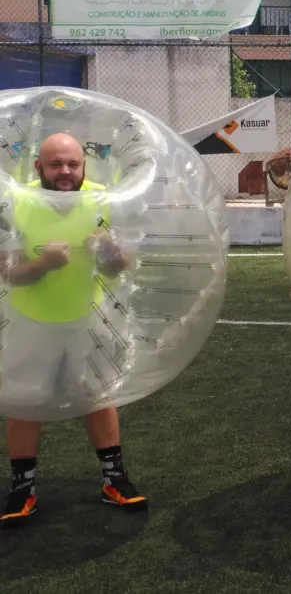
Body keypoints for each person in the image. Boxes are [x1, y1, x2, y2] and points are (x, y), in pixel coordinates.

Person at [0, 133, 148, 527]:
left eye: (72, 164)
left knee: (98, 396)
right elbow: (9, 271)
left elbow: (121, 265)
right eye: (55, 165)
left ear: (84, 165)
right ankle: (22, 488)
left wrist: (109, 252)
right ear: (38, 168)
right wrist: (44, 265)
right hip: (32, 319)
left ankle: (114, 481)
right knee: (24, 401)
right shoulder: (17, 201)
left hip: (89, 318)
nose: (65, 173)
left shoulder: (103, 198)